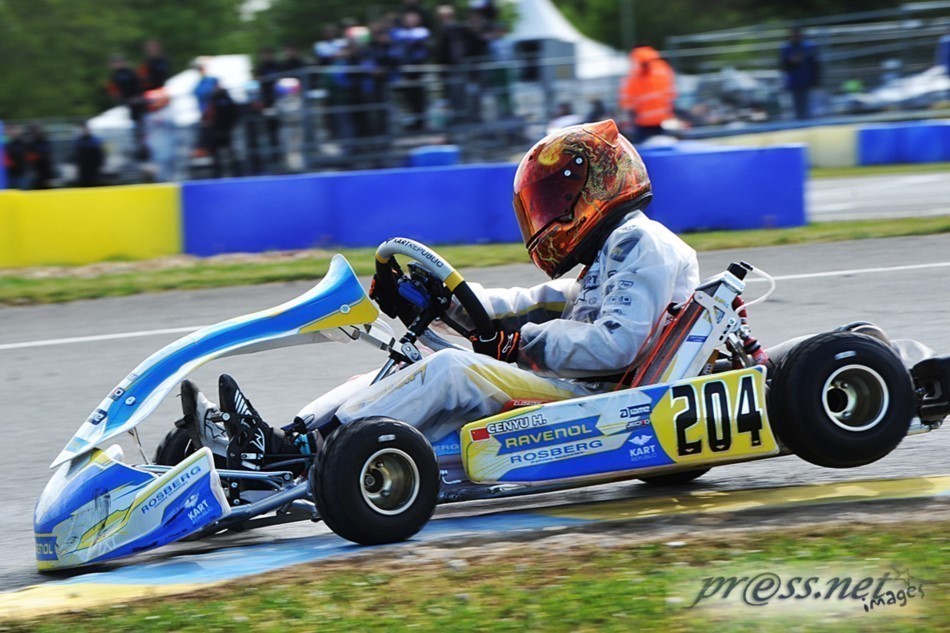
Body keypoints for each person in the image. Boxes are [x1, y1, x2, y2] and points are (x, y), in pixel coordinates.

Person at [177, 119, 701, 468]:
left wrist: (518, 344)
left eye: (558, 199)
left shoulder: (643, 242)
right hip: (578, 390)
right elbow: (526, 304)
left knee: (451, 369)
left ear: (595, 189)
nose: (548, 214)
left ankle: (302, 453)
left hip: (606, 405)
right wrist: (443, 301)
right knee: (402, 368)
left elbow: (616, 347)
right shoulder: (605, 259)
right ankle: (282, 440)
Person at [619, 46, 676, 143]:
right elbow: (627, 102)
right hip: (643, 124)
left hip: (661, 121)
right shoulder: (634, 78)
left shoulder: (660, 72)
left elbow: (670, 93)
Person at [780, 27, 821, 120]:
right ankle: (799, 122)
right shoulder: (786, 48)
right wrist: (791, 62)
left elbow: (816, 64)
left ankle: (808, 122)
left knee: (809, 106)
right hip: (793, 82)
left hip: (807, 80)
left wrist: (816, 80)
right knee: (796, 107)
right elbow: (783, 66)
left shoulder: (809, 47)